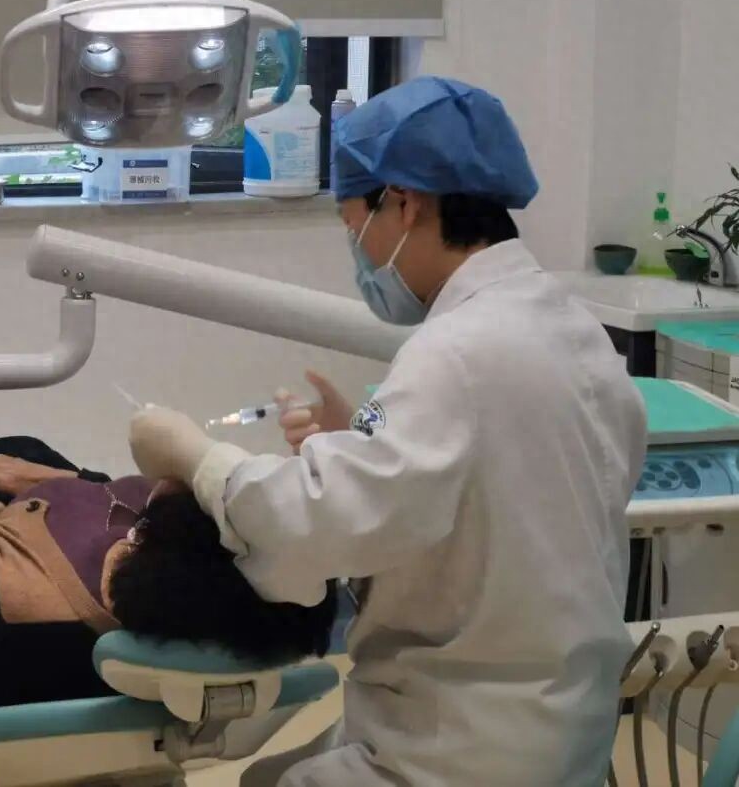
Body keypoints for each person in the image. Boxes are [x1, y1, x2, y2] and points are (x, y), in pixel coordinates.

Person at [128, 76, 647, 786]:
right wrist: (358, 442)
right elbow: (489, 495)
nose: (361, 256)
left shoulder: (454, 353)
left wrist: (195, 457)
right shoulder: (573, 332)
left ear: (404, 203)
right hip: (563, 731)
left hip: (461, 751)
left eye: (355, 229)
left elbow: (314, 526)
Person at [0, 393, 336, 714]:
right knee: (26, 451)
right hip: (32, 567)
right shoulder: (223, 585)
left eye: (183, 485)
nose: (164, 481)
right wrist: (71, 483)